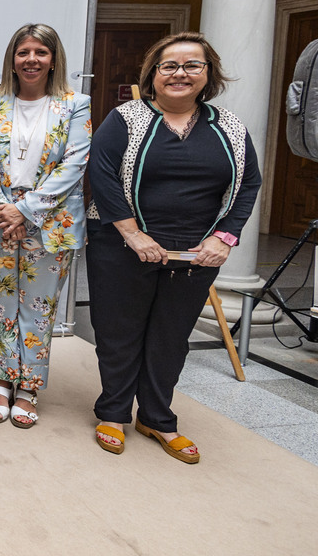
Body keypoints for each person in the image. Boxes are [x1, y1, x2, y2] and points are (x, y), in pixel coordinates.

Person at [88, 32, 260, 462]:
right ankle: (112, 412)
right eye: (169, 66)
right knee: (119, 333)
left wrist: (223, 238)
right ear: (153, 75)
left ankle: (157, 418)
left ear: (208, 74)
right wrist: (133, 234)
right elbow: (103, 174)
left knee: (171, 336)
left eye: (192, 66)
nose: (180, 74)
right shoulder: (125, 118)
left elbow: (248, 184)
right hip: (122, 245)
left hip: (197, 254)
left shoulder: (230, 127)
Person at [0, 23, 90, 429]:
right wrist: (4, 211)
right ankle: (1, 381)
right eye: (24, 53)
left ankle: (29, 387)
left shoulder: (76, 104)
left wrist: (27, 211)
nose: (31, 60)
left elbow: (74, 164)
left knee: (39, 310)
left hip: (51, 223)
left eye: (40, 52)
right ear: (11, 60)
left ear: (53, 59)